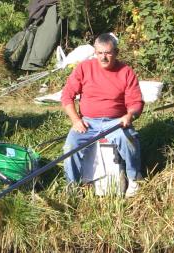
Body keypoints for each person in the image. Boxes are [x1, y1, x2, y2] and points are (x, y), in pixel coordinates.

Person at [61, 33, 144, 197]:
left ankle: (134, 179)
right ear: (95, 53)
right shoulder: (84, 68)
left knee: (128, 139)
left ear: (116, 52)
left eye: (107, 53)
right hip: (87, 123)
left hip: (115, 122)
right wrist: (76, 120)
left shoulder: (126, 72)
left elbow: (136, 103)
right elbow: (67, 96)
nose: (103, 57)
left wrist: (130, 116)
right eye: (99, 53)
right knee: (70, 147)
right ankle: (73, 186)